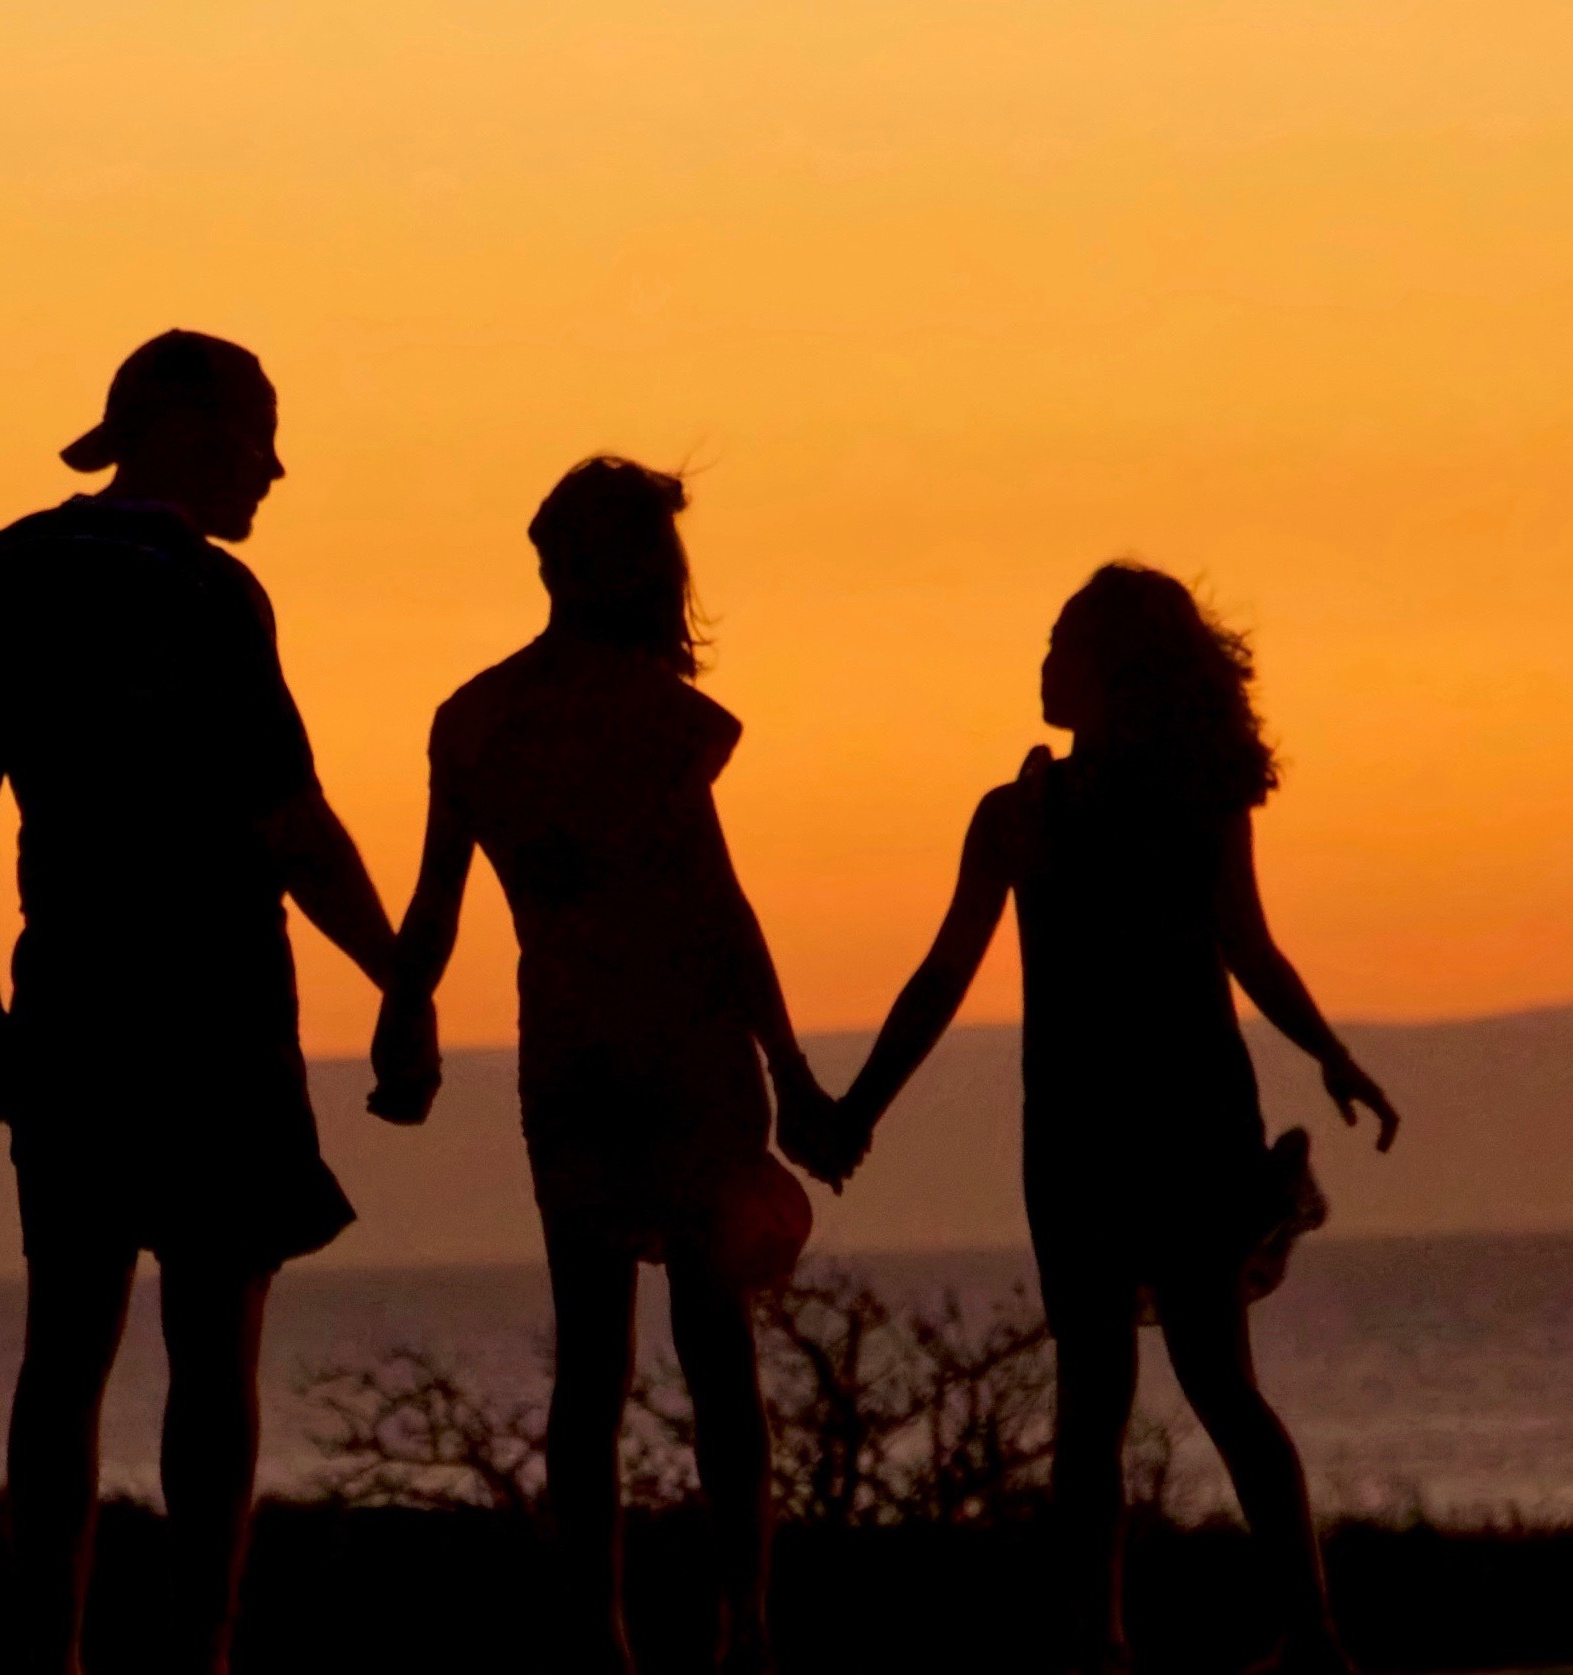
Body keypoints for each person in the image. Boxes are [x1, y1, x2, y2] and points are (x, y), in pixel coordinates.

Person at [805, 562, 1403, 1675]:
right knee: (1158, 1390)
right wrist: (857, 1108)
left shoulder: (1124, 806)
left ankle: (1222, 1634)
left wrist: (1331, 1052)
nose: (1040, 664)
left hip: (1140, 1125)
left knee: (1156, 1389)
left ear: (1110, 672)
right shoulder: (1035, 813)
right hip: (1121, 1126)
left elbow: (1243, 946)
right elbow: (943, 979)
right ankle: (1154, 1635)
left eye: (1059, 647)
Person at [0, 330, 409, 1675]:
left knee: (64, 1344)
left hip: (65, 998)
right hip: (215, 1012)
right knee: (212, 1349)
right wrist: (402, 977)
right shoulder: (209, 594)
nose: (273, 465)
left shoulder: (1, 571)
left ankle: (49, 1653)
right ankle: (197, 1653)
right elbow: (291, 824)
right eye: (259, 433)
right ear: (192, 434)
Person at [369, 457, 830, 1675]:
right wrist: (788, 1062)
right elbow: (715, 909)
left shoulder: (472, 716)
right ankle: (745, 1625)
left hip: (566, 1044)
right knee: (711, 1343)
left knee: (594, 1357)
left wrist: (404, 1013)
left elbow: (433, 911)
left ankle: (601, 1634)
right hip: (678, 1044)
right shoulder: (654, 715)